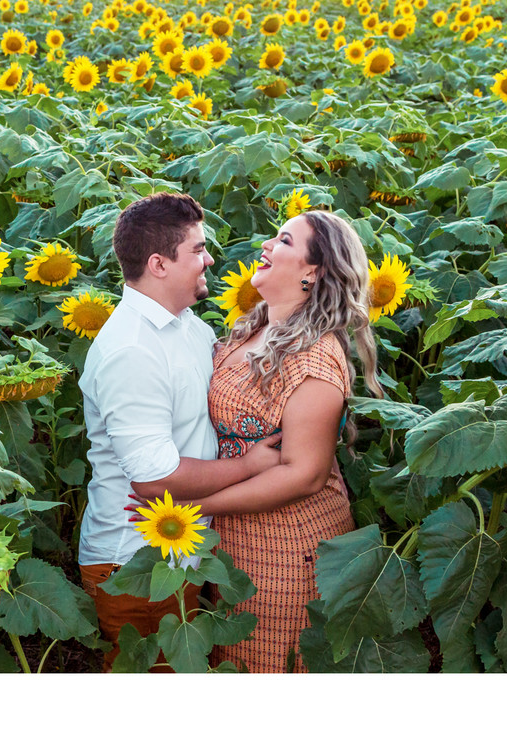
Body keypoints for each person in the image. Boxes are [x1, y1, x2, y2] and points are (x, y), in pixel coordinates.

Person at [155, 210, 382, 673]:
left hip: (286, 546)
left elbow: (305, 475)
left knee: (271, 666)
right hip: (232, 537)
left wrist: (202, 504)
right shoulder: (253, 326)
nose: (266, 245)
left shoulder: (315, 356)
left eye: (283, 240)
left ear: (312, 271)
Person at [77, 191, 282, 673]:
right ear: (158, 264)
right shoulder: (133, 350)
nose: (209, 259)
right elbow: (154, 481)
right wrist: (250, 466)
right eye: (197, 249)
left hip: (181, 549)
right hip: (137, 561)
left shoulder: (187, 327)